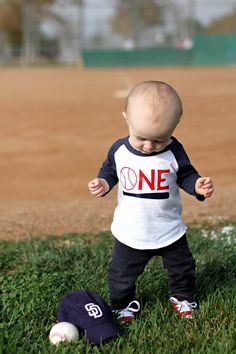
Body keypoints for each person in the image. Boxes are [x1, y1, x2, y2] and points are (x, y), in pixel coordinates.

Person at [88, 80, 214, 321]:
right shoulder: (119, 150)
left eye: (159, 140)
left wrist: (197, 186)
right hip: (131, 231)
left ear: (175, 127)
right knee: (121, 273)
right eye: (142, 138)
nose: (149, 146)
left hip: (169, 229)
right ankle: (122, 304)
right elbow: (110, 170)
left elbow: (185, 174)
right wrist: (103, 183)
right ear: (127, 119)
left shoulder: (174, 151)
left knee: (182, 267)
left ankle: (183, 296)